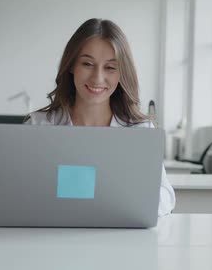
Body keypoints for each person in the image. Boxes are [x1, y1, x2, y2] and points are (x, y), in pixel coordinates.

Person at [25, 18, 175, 216]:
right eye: (87, 64)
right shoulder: (38, 126)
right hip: (54, 234)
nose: (97, 78)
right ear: (71, 66)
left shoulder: (140, 130)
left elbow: (166, 197)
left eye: (110, 68)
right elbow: (20, 191)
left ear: (122, 73)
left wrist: (126, 198)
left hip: (117, 236)